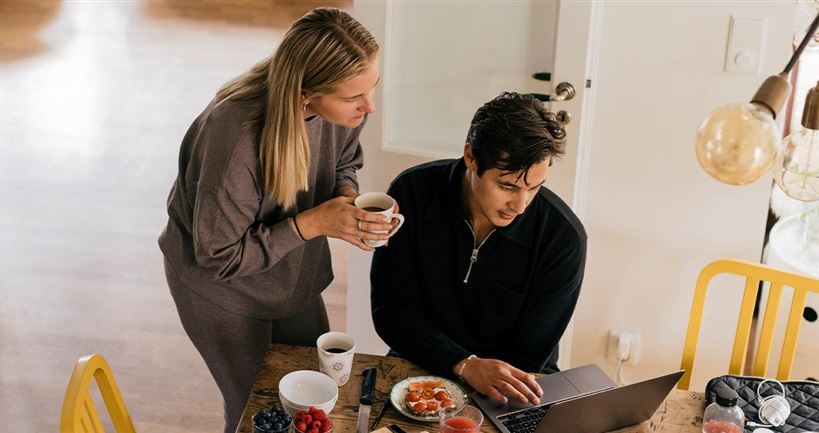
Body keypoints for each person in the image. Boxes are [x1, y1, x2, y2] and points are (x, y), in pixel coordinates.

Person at [158, 8, 393, 433]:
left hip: (290, 272)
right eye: (353, 97)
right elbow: (218, 258)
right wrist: (313, 224)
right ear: (306, 95)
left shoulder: (343, 112)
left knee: (316, 397)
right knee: (258, 409)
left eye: (372, 87)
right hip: (221, 291)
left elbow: (344, 162)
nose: (369, 106)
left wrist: (345, 202)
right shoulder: (235, 139)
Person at [370, 92, 586, 407]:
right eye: (508, 186)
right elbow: (391, 311)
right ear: (471, 157)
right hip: (421, 360)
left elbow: (531, 353)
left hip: (512, 381)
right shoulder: (412, 193)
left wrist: (483, 380)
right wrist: (466, 365)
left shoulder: (563, 239)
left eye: (534, 187)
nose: (521, 205)